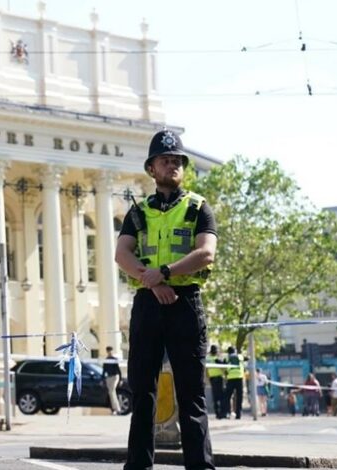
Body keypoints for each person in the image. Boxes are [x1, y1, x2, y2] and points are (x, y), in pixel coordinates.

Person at [116, 129, 217, 470]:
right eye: (165, 160)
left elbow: (205, 254)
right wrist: (152, 279)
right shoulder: (138, 212)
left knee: (191, 395)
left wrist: (164, 273)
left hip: (184, 303)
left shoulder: (198, 207)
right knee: (141, 392)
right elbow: (122, 254)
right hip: (148, 304)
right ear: (152, 169)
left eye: (177, 161)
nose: (172, 165)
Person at [223, 346, 244, 419]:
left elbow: (225, 367)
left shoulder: (227, 357)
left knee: (227, 396)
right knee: (239, 397)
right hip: (239, 378)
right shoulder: (240, 356)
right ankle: (239, 414)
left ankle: (227, 412)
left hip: (230, 378)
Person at [206, 345, 225, 419]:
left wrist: (208, 379)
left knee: (215, 396)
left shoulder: (208, 359)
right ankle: (221, 413)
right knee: (220, 396)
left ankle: (217, 413)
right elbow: (223, 368)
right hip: (219, 378)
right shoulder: (218, 358)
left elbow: (206, 370)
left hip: (212, 378)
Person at [102, 346, 123, 415]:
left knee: (112, 391)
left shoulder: (114, 359)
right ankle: (114, 409)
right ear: (107, 351)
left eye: (110, 350)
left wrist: (121, 379)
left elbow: (118, 370)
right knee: (111, 393)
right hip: (109, 377)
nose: (109, 352)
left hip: (115, 376)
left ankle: (118, 409)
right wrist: (102, 379)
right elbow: (104, 371)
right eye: (108, 350)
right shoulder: (106, 360)